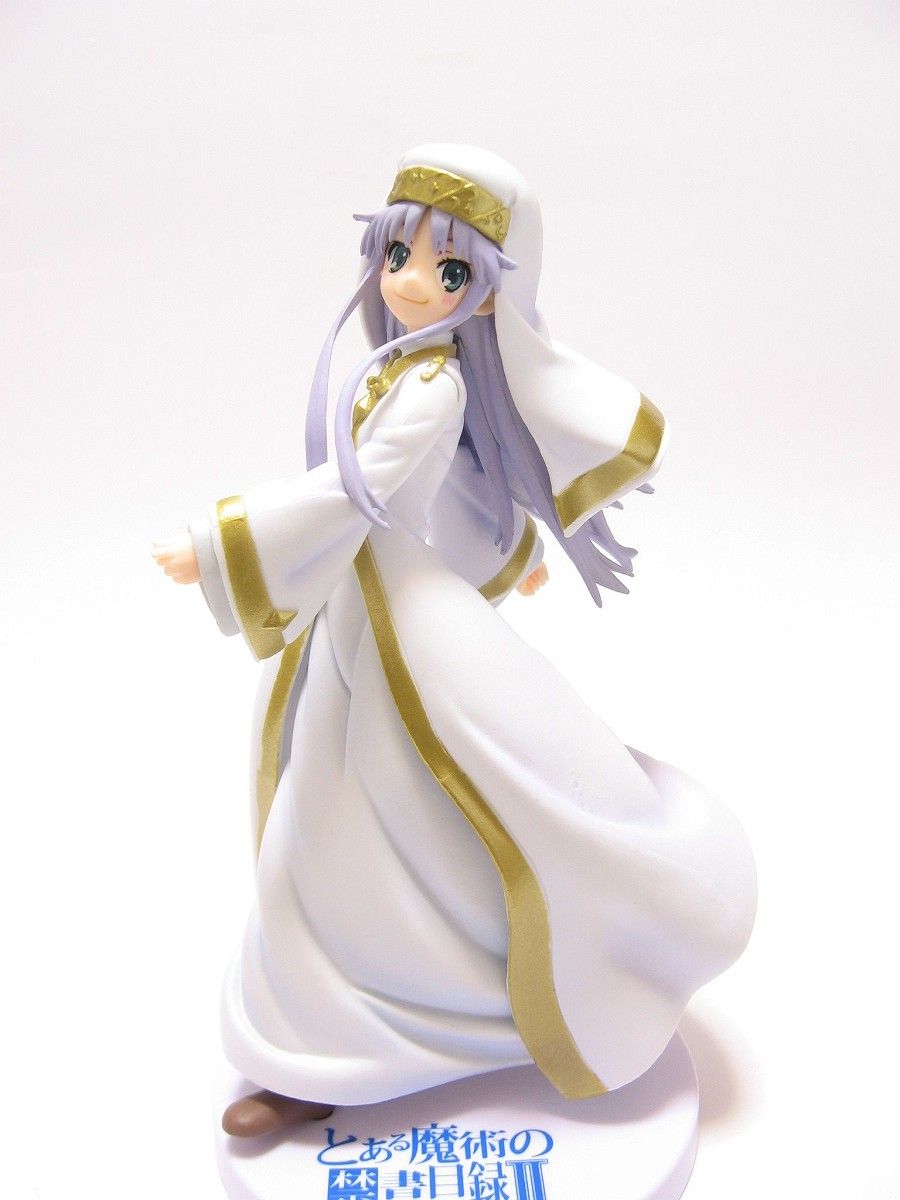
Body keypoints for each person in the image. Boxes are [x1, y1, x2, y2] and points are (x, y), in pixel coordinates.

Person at [153, 144, 756, 1139]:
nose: (410, 282)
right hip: (370, 608)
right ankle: (324, 1035)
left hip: (397, 616)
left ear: (489, 291)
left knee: (347, 816)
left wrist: (221, 544)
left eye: (450, 267)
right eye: (399, 255)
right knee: (348, 808)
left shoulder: (429, 384)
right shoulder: (410, 368)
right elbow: (467, 474)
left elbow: (358, 492)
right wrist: (508, 546)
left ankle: (356, 1034)